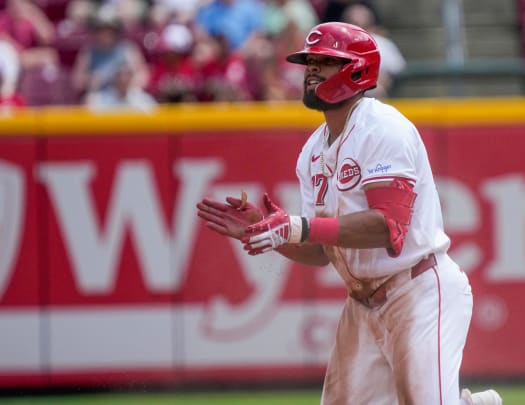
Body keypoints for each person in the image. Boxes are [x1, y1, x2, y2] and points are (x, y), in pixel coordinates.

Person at [196, 22, 502, 405]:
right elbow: (320, 250)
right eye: (309, 61)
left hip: (418, 290)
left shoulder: (382, 129)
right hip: (362, 303)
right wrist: (269, 233)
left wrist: (297, 226)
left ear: (357, 68)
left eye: (324, 61)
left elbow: (388, 227)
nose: (311, 69)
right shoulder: (311, 152)